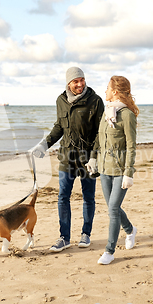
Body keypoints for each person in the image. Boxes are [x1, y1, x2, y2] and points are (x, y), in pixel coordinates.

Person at [31, 67, 104, 252]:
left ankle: (86, 234)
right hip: (66, 156)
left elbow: (100, 133)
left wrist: (94, 156)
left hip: (88, 158)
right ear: (69, 83)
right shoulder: (61, 100)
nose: (80, 84)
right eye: (76, 81)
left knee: (88, 197)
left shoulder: (95, 101)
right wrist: (44, 145)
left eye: (82, 80)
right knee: (63, 196)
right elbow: (59, 127)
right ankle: (64, 237)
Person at [86, 75, 139, 265]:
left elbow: (132, 146)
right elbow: (99, 139)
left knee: (113, 210)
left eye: (108, 88)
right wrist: (93, 158)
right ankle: (130, 229)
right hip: (104, 168)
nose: (105, 91)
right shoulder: (107, 112)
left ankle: (109, 251)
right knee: (112, 208)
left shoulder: (127, 115)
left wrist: (129, 173)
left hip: (120, 170)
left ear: (115, 91)